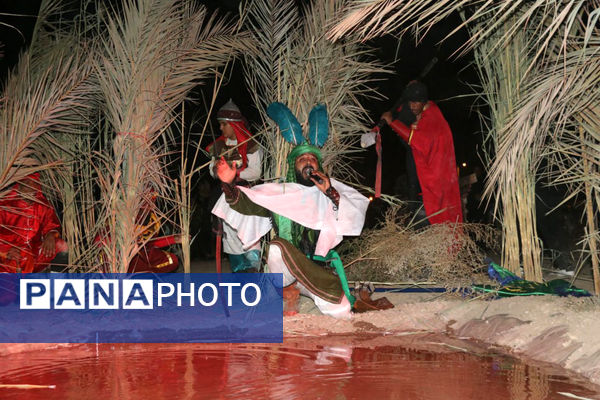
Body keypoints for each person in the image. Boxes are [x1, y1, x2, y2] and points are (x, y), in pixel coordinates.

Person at [212, 142, 370, 319]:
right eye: (302, 159)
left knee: (342, 313)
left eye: (312, 159)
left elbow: (356, 212)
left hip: (317, 273)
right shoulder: (281, 193)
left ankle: (297, 291)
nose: (308, 161)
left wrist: (331, 193)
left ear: (319, 166)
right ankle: (287, 291)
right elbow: (247, 203)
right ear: (293, 166)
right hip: (285, 272)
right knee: (276, 248)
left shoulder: (329, 190)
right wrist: (228, 184)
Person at [381, 81, 463, 225]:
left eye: (416, 103)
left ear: (423, 101)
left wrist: (392, 122)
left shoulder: (431, 118)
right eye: (411, 102)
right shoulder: (430, 109)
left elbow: (416, 140)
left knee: (434, 214)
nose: (412, 106)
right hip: (437, 172)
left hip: (436, 177)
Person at [207, 99, 263, 272]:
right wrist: (218, 171)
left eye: (224, 124)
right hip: (226, 195)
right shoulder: (218, 146)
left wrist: (233, 173)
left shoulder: (252, 145)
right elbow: (211, 170)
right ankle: (239, 275)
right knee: (230, 234)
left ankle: (253, 272)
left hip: (247, 196)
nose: (221, 128)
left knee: (249, 232)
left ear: (234, 125)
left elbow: (255, 172)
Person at [0, 174, 68, 273]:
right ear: (19, 186)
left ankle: (54, 281)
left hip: (33, 253)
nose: (31, 188)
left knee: (61, 246)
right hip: (8, 256)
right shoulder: (5, 206)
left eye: (35, 184)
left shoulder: (43, 206)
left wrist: (51, 235)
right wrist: (5, 251)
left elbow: (52, 226)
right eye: (27, 183)